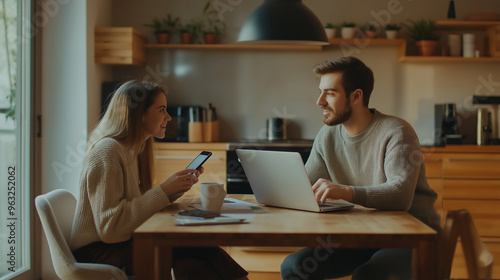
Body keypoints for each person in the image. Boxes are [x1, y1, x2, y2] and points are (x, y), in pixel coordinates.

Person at [280, 57, 441, 280]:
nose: (319, 101)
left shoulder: (397, 131)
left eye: (330, 93)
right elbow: (303, 186)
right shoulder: (327, 135)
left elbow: (400, 195)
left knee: (368, 276)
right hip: (362, 237)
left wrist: (346, 191)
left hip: (412, 239)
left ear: (356, 96)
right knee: (293, 267)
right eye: (320, 92)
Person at [69, 80, 248, 280]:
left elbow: (133, 209)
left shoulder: (134, 150)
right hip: (97, 253)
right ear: (139, 114)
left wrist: (173, 189)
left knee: (200, 251)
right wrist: (163, 191)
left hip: (117, 244)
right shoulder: (108, 152)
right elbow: (110, 229)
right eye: (162, 110)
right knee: (192, 256)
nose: (169, 117)